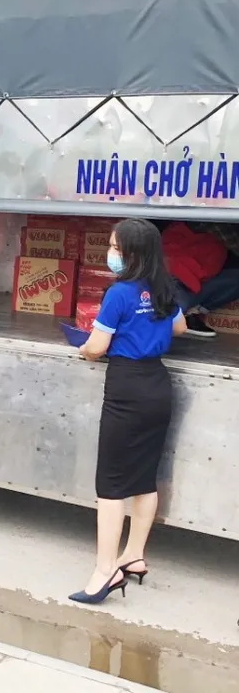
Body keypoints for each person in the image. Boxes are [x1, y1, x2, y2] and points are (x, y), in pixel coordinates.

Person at [71, 218, 186, 605]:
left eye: (115, 248)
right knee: (144, 479)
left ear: (133, 253)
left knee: (111, 485)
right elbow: (180, 327)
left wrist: (84, 349)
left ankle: (105, 571)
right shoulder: (164, 287)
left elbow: (96, 347)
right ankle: (134, 556)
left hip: (126, 390)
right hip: (158, 386)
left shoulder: (119, 293)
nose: (111, 253)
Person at [161, 221, 239, 338]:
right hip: (175, 279)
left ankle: (190, 314)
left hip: (195, 282)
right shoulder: (211, 220)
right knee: (167, 315)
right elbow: (233, 242)